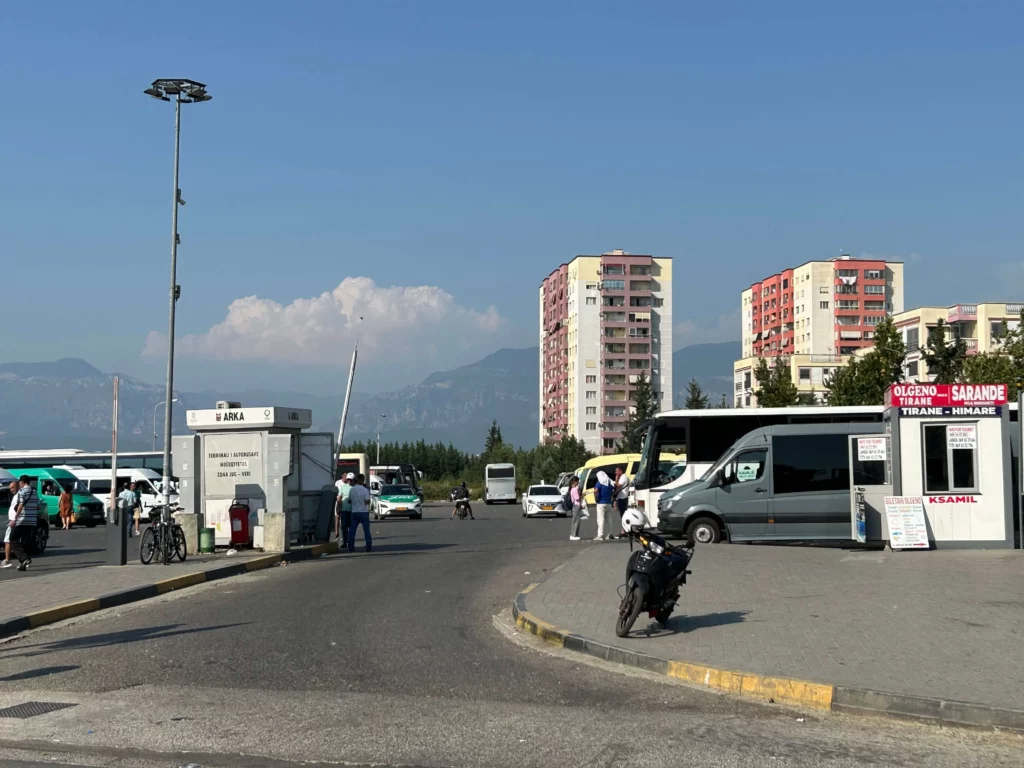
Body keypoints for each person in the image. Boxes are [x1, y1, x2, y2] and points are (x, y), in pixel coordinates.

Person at [8, 475, 39, 571]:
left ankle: (25, 558)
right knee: (24, 542)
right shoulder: (34, 492)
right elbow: (38, 506)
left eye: (20, 483)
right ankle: (23, 564)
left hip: (22, 520)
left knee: (12, 540)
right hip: (32, 521)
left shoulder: (22, 491)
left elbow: (20, 506)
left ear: (22, 482)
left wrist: (15, 519)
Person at [347, 473, 372, 553]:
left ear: (356, 480)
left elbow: (349, 500)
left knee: (352, 531)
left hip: (354, 512)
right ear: (363, 480)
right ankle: (368, 546)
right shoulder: (365, 490)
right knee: (366, 530)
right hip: (363, 512)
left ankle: (351, 547)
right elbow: (367, 501)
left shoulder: (352, 489)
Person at [593, 471, 615, 541]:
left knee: (600, 520)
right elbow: (613, 489)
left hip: (601, 503)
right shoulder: (609, 482)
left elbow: (596, 490)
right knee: (609, 519)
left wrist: (596, 498)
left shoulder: (599, 482)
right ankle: (610, 534)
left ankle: (600, 535)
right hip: (608, 502)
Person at [2, 480, 18, 568]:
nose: (11, 490)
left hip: (14, 521)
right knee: (13, 541)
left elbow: (20, 507)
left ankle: (7, 560)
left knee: (8, 540)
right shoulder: (15, 496)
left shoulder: (19, 495)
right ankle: (23, 559)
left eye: (13, 487)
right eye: (10, 488)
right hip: (13, 521)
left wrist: (15, 519)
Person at [335, 473, 354, 546]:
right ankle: (344, 542)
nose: (349, 481)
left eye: (351, 480)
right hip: (344, 510)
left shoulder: (355, 488)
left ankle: (350, 541)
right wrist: (338, 508)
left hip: (353, 510)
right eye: (348, 479)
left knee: (351, 527)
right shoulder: (343, 487)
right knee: (343, 526)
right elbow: (339, 498)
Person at [613, 467, 632, 536]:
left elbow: (618, 486)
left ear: (620, 471)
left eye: (616, 471)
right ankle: (624, 530)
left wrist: (616, 480)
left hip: (623, 498)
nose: (615, 473)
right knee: (622, 515)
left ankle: (624, 531)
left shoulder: (624, 477)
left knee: (623, 515)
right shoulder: (622, 477)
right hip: (621, 498)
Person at [568, 476, 585, 541]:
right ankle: (573, 535)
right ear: (575, 482)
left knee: (575, 520)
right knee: (576, 521)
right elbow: (577, 498)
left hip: (575, 506)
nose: (578, 482)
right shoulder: (575, 489)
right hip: (576, 505)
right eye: (577, 481)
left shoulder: (572, 489)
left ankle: (574, 534)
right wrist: (582, 496)